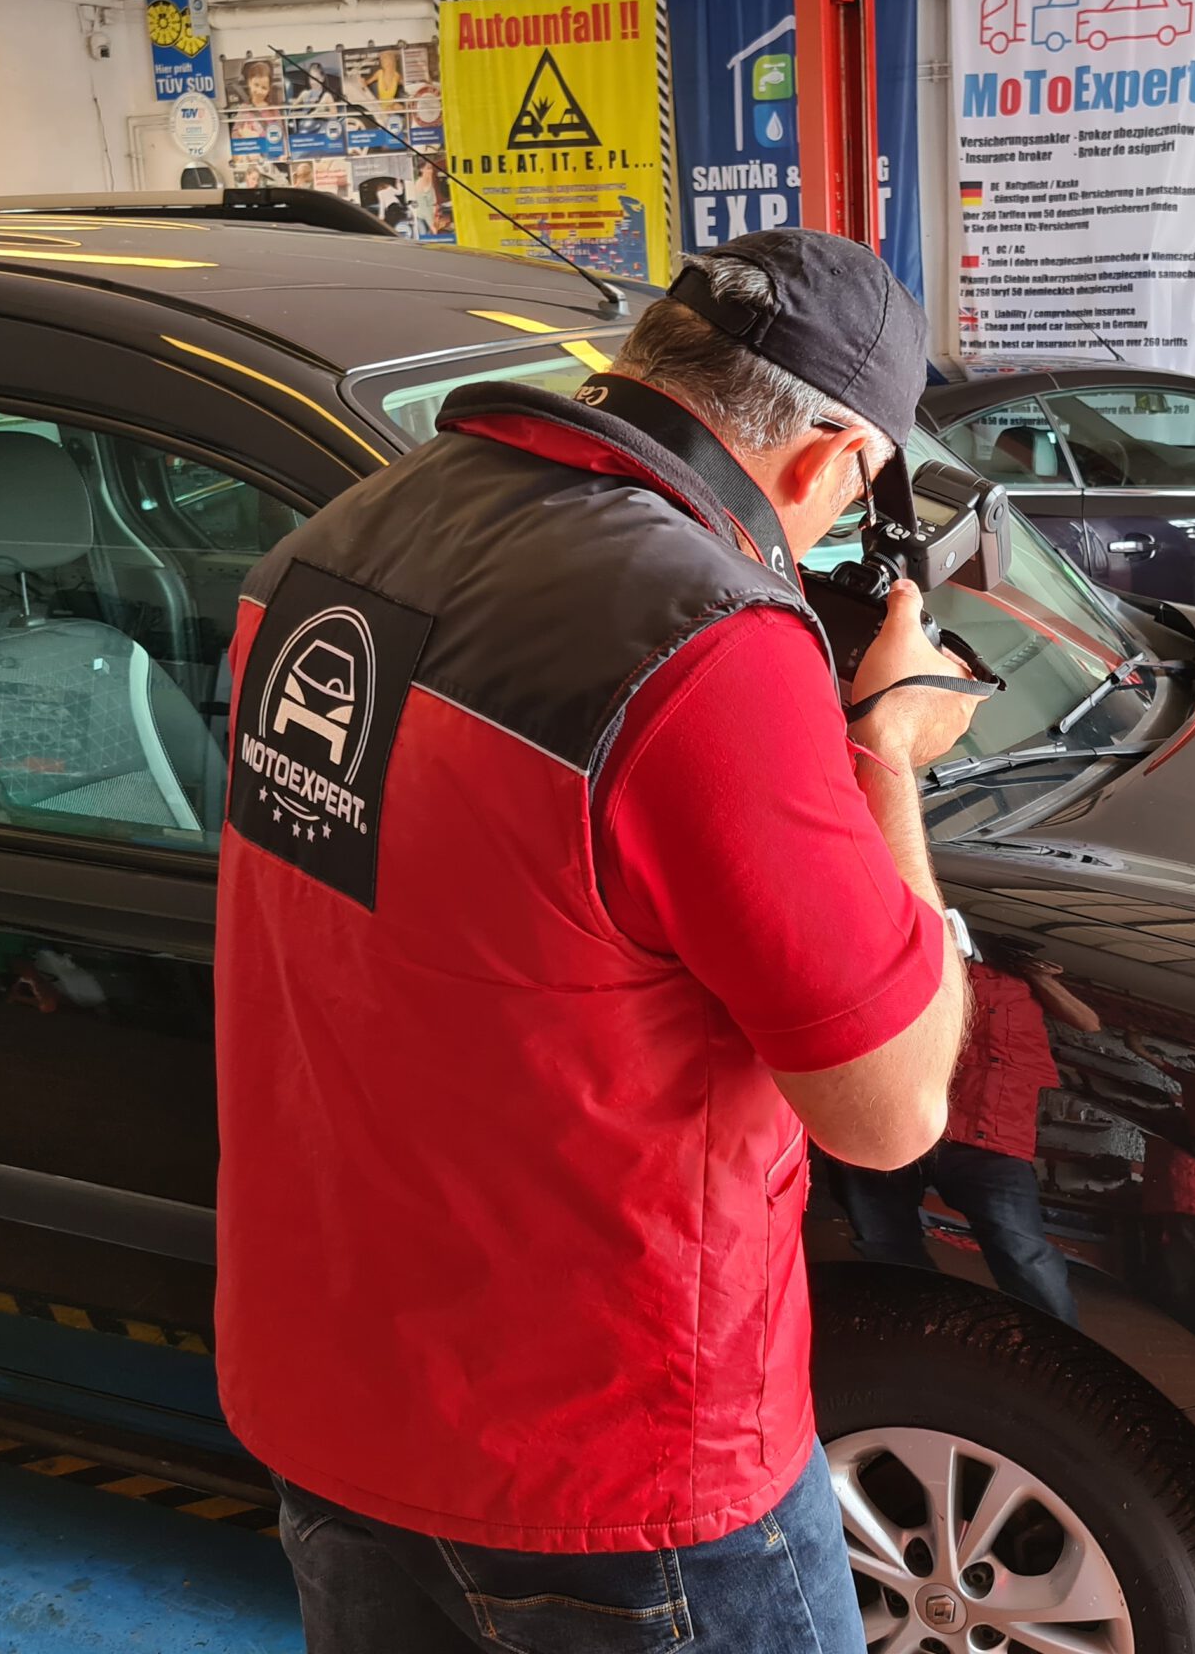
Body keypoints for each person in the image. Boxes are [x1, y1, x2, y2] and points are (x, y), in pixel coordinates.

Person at [214, 230, 990, 1652]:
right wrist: (883, 754)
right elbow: (889, 1112)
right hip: (613, 1470)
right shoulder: (706, 644)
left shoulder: (327, 550)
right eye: (856, 496)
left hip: (333, 1401)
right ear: (831, 460)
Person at [829, 954, 1096, 1324]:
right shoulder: (924, 951)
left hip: (990, 1132)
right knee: (883, 1237)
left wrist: (1038, 976)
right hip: (902, 1115)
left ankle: (1060, 1347)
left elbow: (1088, 1022)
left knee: (1024, 1255)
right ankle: (916, 1323)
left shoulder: (1026, 969)